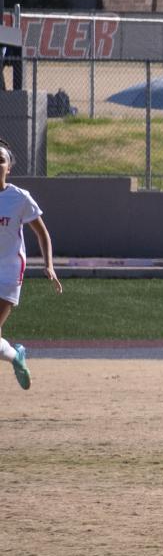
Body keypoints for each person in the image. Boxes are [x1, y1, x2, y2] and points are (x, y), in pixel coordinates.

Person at [0, 138, 60, 390]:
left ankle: (15, 356)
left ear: (9, 167)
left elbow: (42, 233)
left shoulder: (19, 198)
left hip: (9, 271)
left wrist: (49, 265)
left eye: (0, 160)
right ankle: (16, 356)